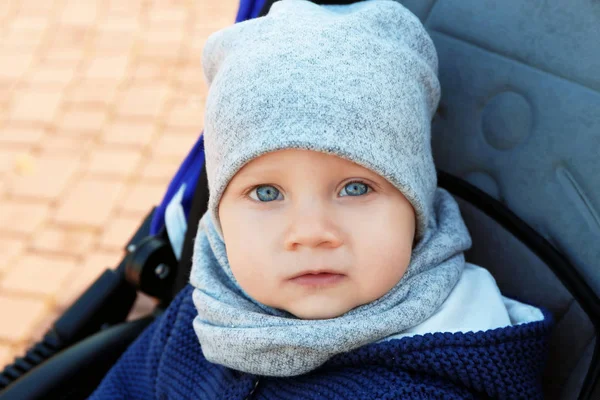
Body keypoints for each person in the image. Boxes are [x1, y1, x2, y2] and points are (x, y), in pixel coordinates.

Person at [90, 0, 553, 398]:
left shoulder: (420, 386)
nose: (311, 232)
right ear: (220, 218)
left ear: (416, 209)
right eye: (266, 193)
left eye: (356, 188)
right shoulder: (198, 315)